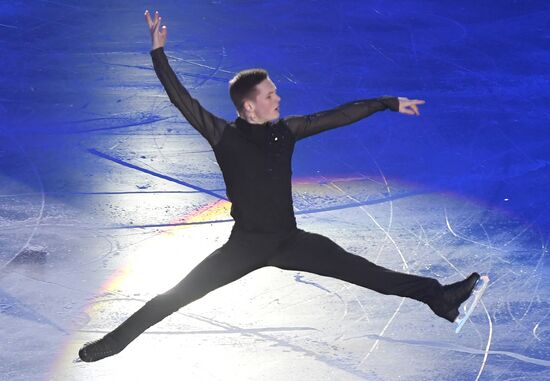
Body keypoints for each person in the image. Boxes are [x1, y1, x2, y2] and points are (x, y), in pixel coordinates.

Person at [78, 10, 480, 362]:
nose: (278, 97)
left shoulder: (284, 132)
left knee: (368, 273)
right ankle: (112, 344)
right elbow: (181, 99)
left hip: (290, 240)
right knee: (177, 295)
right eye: (271, 94)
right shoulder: (223, 135)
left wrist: (387, 102)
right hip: (245, 245)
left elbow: (337, 115)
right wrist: (158, 53)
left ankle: (439, 298)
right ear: (248, 105)